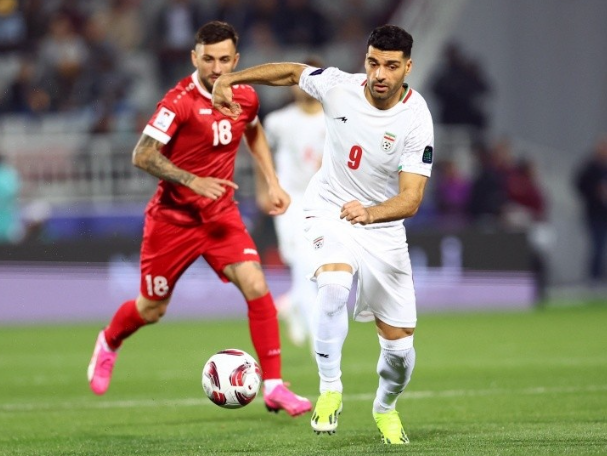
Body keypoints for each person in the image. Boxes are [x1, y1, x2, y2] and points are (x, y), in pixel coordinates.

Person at [213, 24, 434, 444]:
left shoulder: (416, 117)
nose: (379, 74)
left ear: (408, 67)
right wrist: (232, 78)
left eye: (391, 66)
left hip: (383, 228)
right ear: (365, 60)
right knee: (332, 287)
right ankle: (330, 389)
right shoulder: (338, 86)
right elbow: (290, 72)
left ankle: (385, 408)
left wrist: (371, 213)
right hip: (329, 209)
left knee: (400, 353)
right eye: (373, 63)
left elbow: (411, 198)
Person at [87, 21, 312, 418]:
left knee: (256, 284)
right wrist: (193, 180)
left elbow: (254, 132)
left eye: (224, 59)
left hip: (221, 215)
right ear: (195, 57)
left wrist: (272, 181)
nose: (216, 68)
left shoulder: (245, 95)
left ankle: (275, 386)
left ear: (236, 60)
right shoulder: (178, 102)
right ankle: (109, 341)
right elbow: (142, 154)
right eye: (208, 59)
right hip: (173, 219)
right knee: (152, 308)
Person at [262, 58, 325, 347]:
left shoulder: (336, 120)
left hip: (324, 201)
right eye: (301, 81)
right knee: (302, 263)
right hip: (290, 201)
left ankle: (293, 307)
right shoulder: (278, 122)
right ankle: (314, 335)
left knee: (315, 266)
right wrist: (264, 188)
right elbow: (260, 153)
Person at [574, 136, 607, 283]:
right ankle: (595, 278)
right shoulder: (590, 166)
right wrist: (595, 191)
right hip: (595, 213)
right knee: (597, 246)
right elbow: (579, 184)